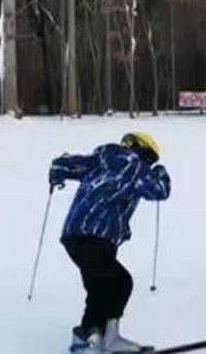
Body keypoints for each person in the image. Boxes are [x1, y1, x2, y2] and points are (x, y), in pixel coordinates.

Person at [49, 132, 171, 353]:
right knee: (109, 284)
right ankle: (87, 339)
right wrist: (160, 173)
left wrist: (58, 171)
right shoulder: (134, 166)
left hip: (75, 235)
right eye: (152, 159)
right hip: (96, 236)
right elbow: (160, 190)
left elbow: (66, 164)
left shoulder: (100, 159)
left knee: (114, 282)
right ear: (143, 151)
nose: (150, 164)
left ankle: (103, 336)